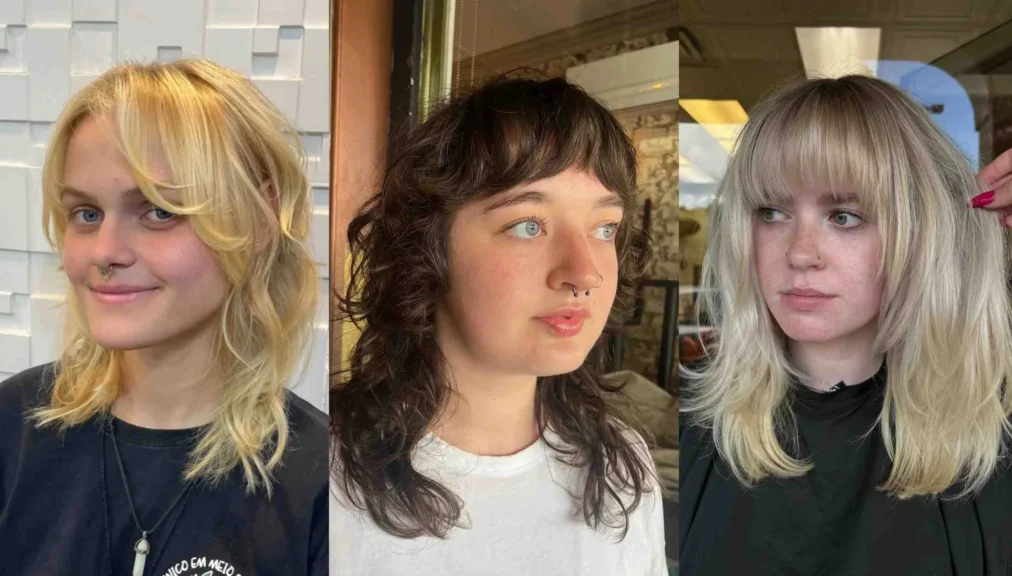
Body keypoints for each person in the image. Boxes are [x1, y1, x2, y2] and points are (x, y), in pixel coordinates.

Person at [677, 75, 1012, 575]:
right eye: (771, 212)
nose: (799, 253)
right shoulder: (691, 431)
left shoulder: (1005, 450)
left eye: (843, 216)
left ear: (920, 233)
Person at [0, 59, 328, 575]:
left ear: (259, 219)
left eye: (159, 211)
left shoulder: (323, 482)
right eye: (86, 214)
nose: (105, 252)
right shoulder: (10, 426)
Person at [329, 76, 668, 575]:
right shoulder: (315, 471)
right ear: (427, 248)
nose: (585, 272)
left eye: (604, 228)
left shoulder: (624, 470)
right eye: (528, 225)